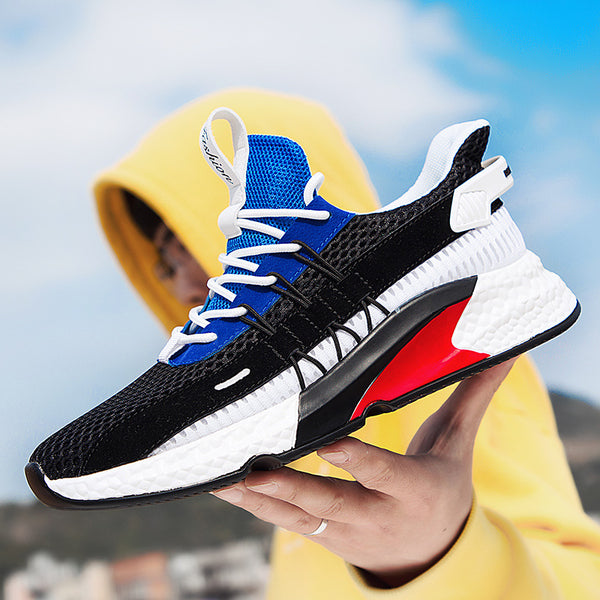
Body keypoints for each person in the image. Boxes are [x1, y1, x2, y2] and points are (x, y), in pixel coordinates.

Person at [94, 88, 600, 597]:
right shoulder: (283, 408)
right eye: (165, 264)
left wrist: (439, 554)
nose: (185, 283)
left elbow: (582, 574)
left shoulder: (447, 338)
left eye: (191, 241)